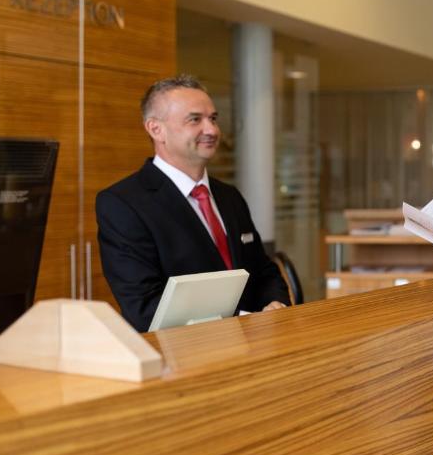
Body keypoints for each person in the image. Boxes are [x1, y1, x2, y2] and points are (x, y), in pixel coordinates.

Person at [96, 75, 289, 332]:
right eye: (195, 120)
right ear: (156, 129)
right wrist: (245, 320)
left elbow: (263, 271)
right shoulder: (123, 204)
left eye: (213, 119)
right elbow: (144, 306)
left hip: (257, 343)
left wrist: (275, 305)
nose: (212, 130)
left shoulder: (229, 196)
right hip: (182, 351)